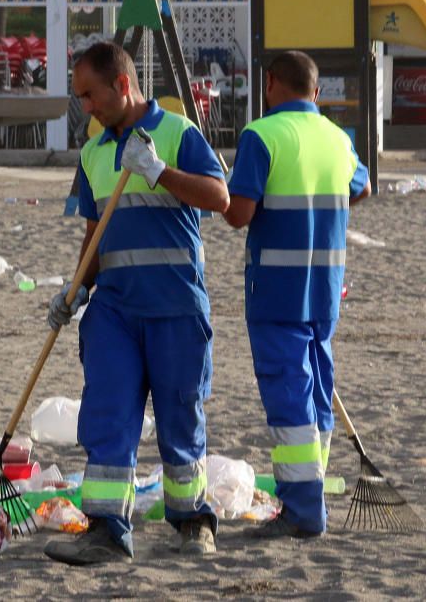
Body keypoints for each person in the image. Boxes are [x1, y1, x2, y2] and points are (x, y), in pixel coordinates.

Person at [44, 42, 229, 565]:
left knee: (180, 416)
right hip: (115, 313)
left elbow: (220, 198)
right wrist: (77, 288)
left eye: (90, 94)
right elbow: (95, 233)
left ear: (122, 85)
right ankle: (107, 529)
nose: (86, 106)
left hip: (175, 306)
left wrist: (159, 171)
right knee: (108, 416)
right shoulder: (93, 152)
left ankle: (192, 522)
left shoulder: (177, 134)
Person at [223, 50, 370, 539]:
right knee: (316, 391)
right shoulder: (337, 138)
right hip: (324, 288)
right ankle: (309, 492)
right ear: (317, 92)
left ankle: (303, 509)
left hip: (276, 291)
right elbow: (361, 187)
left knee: (290, 397)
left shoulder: (261, 135)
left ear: (270, 85)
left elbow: (239, 213)